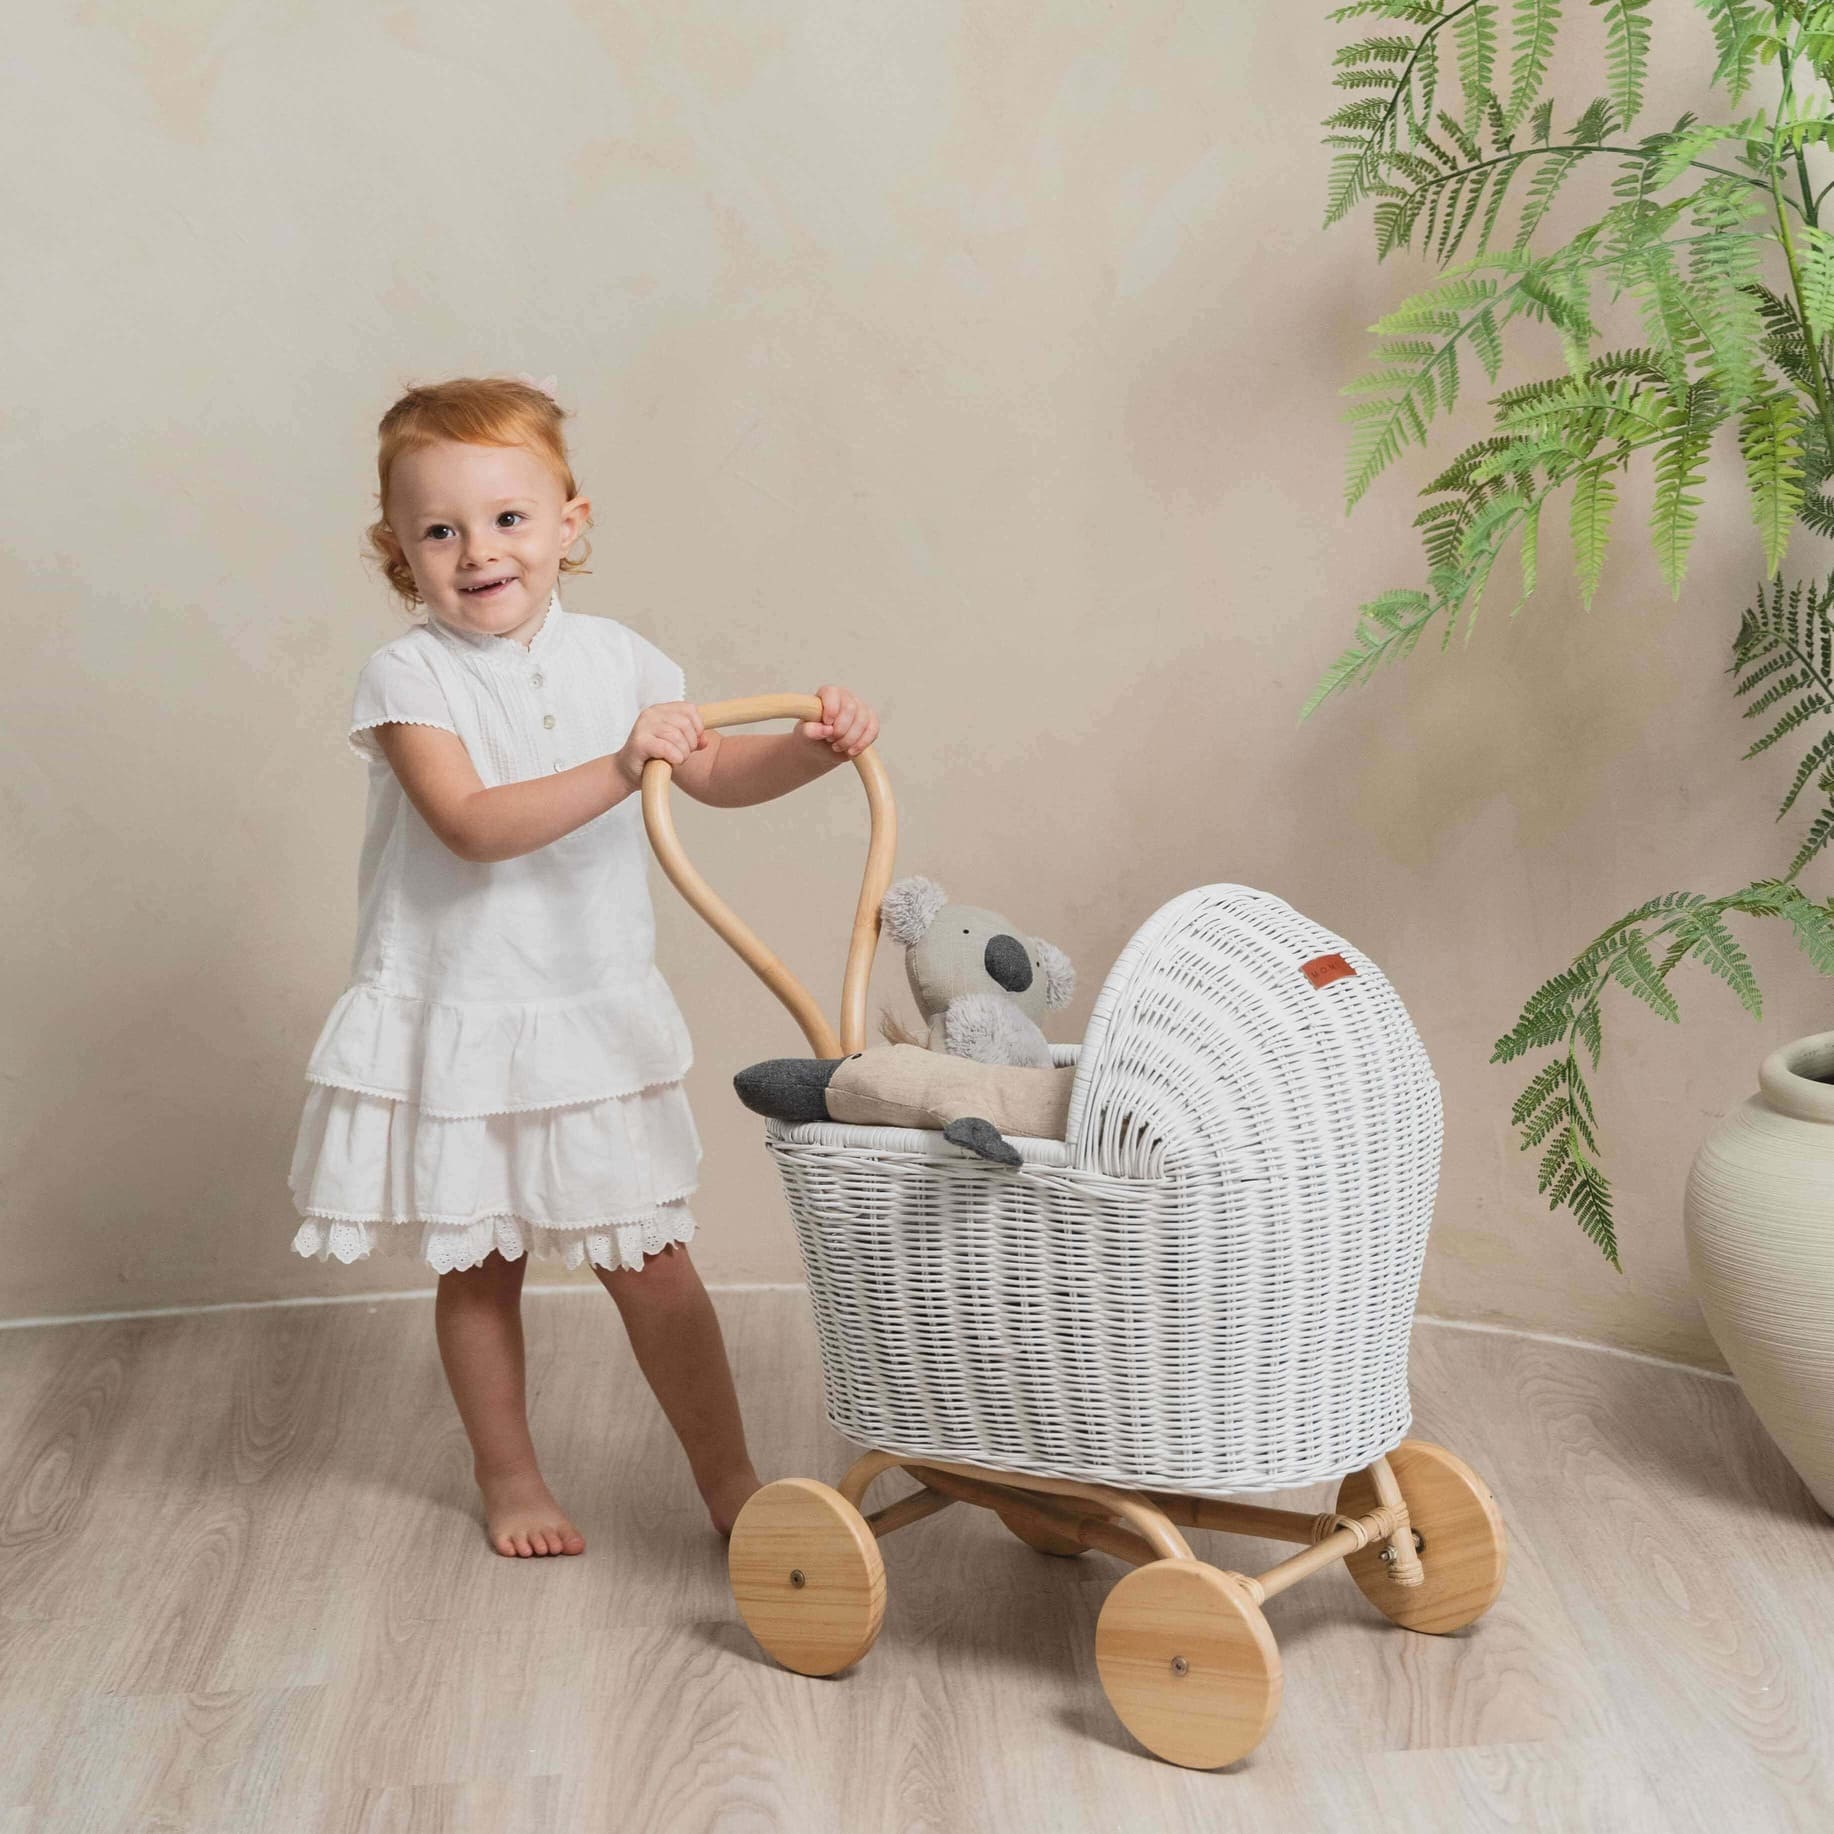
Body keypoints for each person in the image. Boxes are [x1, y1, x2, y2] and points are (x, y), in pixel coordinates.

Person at [287, 374, 879, 1558]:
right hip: (464, 1014)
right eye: (439, 530)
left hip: (584, 1018)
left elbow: (708, 773)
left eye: (507, 518)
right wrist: (619, 766)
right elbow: (468, 820)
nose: (477, 551)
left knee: (654, 1264)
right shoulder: (409, 680)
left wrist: (812, 754)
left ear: (570, 521)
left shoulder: (624, 659)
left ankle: (731, 1482)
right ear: (398, 553)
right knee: (482, 1265)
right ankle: (508, 1476)